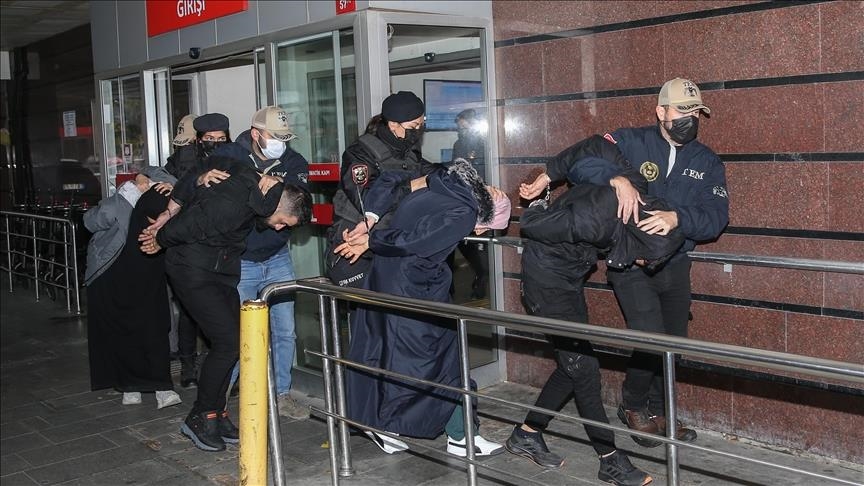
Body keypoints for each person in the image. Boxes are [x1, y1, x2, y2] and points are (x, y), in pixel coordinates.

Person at [520, 77, 729, 447]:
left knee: (673, 344)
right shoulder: (630, 141)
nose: (690, 119)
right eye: (682, 111)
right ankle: (633, 405)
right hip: (629, 263)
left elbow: (717, 216)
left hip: (676, 262)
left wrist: (677, 218)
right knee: (649, 336)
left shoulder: (707, 160)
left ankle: (661, 411)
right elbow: (581, 163)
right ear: (661, 111)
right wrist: (616, 178)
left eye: (696, 112)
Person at [506, 147, 684, 485]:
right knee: (585, 369)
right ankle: (610, 459)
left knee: (572, 364)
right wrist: (541, 202)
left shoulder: (633, 193)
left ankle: (527, 433)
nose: (644, 265)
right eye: (646, 259)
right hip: (546, 286)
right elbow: (532, 223)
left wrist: (617, 180)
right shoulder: (591, 221)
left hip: (568, 280)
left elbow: (590, 152)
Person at [334, 159, 510, 457]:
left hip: (388, 278)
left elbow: (390, 179)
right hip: (414, 286)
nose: (479, 234)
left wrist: (370, 219)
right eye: (486, 229)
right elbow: (414, 240)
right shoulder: (464, 213)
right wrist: (372, 239)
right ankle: (459, 436)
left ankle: (391, 424)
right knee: (442, 360)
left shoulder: (440, 181)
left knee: (391, 352)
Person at [139, 158, 312, 453]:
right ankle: (201, 416)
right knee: (227, 342)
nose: (280, 228)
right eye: (283, 221)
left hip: (220, 270)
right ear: (275, 205)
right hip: (192, 270)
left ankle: (217, 413)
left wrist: (197, 181)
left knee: (235, 341)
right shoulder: (232, 204)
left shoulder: (254, 190)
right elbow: (187, 226)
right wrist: (160, 236)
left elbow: (213, 164)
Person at [193, 107, 311, 419]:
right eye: (274, 137)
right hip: (240, 261)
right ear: (256, 133)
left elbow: (296, 202)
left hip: (277, 257)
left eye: (285, 138)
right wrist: (201, 179)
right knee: (234, 336)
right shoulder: (229, 156)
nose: (280, 144)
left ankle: (281, 394)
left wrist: (271, 187)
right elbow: (197, 185)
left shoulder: (294, 162)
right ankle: (215, 403)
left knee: (285, 332)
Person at [84, 166, 182, 410]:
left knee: (155, 326)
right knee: (124, 328)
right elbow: (91, 221)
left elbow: (166, 176)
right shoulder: (121, 200)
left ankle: (162, 386)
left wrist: (156, 181)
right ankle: (130, 386)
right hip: (116, 271)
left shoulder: (163, 189)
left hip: (151, 271)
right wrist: (126, 193)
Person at [325, 91, 434, 289]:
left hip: (390, 241)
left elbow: (435, 173)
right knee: (367, 306)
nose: (418, 131)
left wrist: (468, 179)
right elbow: (366, 198)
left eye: (421, 125)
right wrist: (413, 186)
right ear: (393, 124)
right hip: (355, 244)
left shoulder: (409, 152)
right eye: (413, 126)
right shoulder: (359, 154)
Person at [165, 112, 232, 388]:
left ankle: (209, 364)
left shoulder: (233, 155)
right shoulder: (186, 160)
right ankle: (189, 364)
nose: (215, 143)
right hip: (190, 243)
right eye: (209, 138)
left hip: (221, 243)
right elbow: (170, 181)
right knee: (190, 311)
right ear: (198, 139)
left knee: (217, 309)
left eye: (220, 138)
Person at [450, 108, 489, 299]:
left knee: (479, 244)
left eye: (464, 128)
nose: (461, 132)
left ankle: (482, 279)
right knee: (464, 242)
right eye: (460, 129)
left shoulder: (485, 144)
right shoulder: (459, 145)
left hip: (482, 198)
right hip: (464, 198)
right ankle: (480, 275)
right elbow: (456, 169)